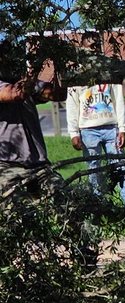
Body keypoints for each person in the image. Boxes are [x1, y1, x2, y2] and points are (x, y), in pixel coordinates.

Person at [0, 45, 67, 200]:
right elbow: (16, 94)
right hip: (7, 166)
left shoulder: (26, 84)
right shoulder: (16, 87)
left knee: (66, 205)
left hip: (38, 165)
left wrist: (59, 62)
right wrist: (36, 65)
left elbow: (59, 94)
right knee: (18, 215)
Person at [66, 82, 125, 208]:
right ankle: (98, 206)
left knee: (121, 166)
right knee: (93, 170)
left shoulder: (109, 72)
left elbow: (118, 99)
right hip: (88, 130)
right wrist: (73, 133)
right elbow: (72, 104)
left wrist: (122, 128)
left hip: (111, 128)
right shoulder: (76, 77)